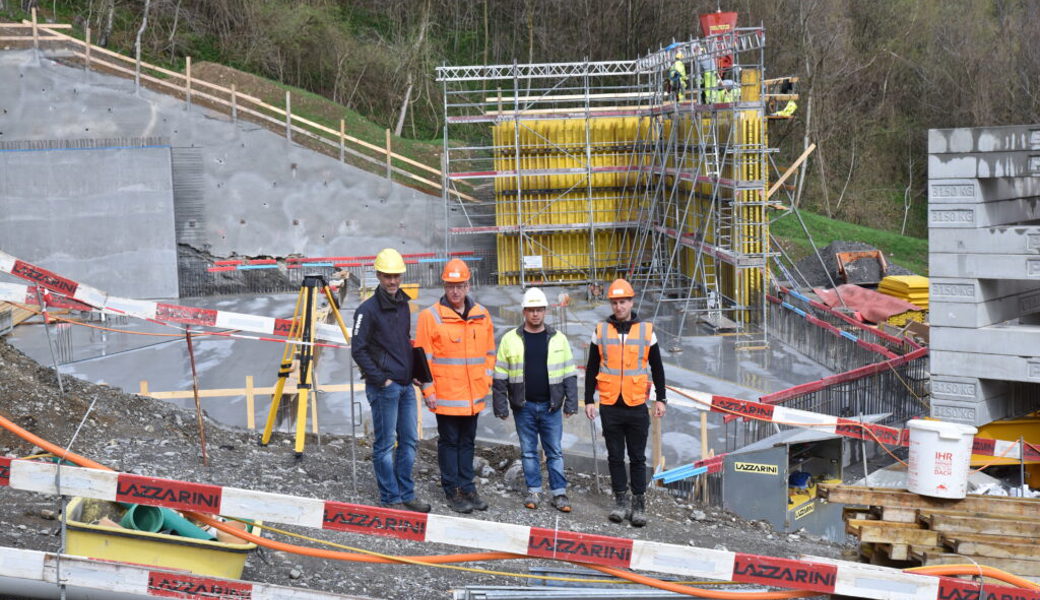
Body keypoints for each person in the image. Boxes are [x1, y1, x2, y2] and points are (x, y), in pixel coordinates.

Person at [351, 248, 430, 513]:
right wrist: (381, 380)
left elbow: (403, 344)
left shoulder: (403, 305)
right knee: (385, 444)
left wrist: (415, 373)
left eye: (396, 276)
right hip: (385, 387)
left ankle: (406, 493)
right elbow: (358, 349)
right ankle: (390, 498)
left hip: (406, 385)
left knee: (409, 441)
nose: (393, 281)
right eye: (387, 276)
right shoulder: (367, 311)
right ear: (378, 276)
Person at [583, 278, 667, 527]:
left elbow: (658, 367)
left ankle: (638, 504)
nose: (619, 306)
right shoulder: (600, 331)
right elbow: (591, 368)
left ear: (631, 302)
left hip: (636, 403)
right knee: (616, 456)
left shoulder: (646, 331)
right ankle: (620, 502)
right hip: (610, 404)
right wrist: (589, 399)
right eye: (615, 302)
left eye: (623, 301)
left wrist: (660, 398)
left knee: (638, 457)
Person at [415, 258, 496, 514]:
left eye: (460, 285)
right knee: (450, 443)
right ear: (445, 285)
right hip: (447, 398)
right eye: (450, 285)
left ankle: (468, 487)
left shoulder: (482, 315)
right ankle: (452, 490)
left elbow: (489, 353)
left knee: (468, 442)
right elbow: (422, 359)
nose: (455, 291)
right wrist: (428, 392)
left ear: (468, 285)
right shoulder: (430, 317)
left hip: (473, 396)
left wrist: (486, 381)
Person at [492, 288, 578, 512]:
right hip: (524, 407)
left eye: (539, 309)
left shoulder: (558, 339)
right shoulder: (510, 340)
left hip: (551, 407)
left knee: (554, 451)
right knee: (528, 451)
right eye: (531, 310)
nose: (535, 314)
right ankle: (534, 491)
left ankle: (559, 493)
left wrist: (571, 403)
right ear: (524, 311)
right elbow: (500, 375)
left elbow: (569, 372)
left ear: (545, 311)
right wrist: (500, 405)